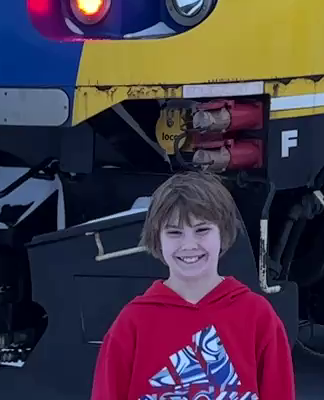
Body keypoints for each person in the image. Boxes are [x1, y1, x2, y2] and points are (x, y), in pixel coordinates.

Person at [92, 170, 296, 400]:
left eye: (202, 230)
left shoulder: (258, 316)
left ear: (223, 232)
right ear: (157, 238)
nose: (189, 245)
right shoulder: (132, 323)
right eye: (174, 232)